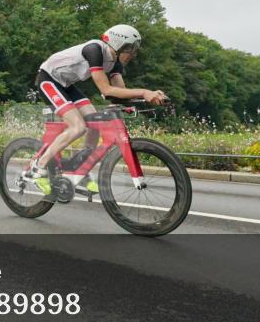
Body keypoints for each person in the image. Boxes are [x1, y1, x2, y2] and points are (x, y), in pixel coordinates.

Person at [27, 24, 168, 195]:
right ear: (118, 44)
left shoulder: (115, 63)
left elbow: (118, 94)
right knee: (78, 127)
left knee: (95, 124)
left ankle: (78, 167)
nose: (133, 54)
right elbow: (106, 90)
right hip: (49, 79)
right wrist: (144, 92)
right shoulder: (94, 50)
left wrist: (149, 98)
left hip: (67, 85)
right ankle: (38, 168)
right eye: (131, 49)